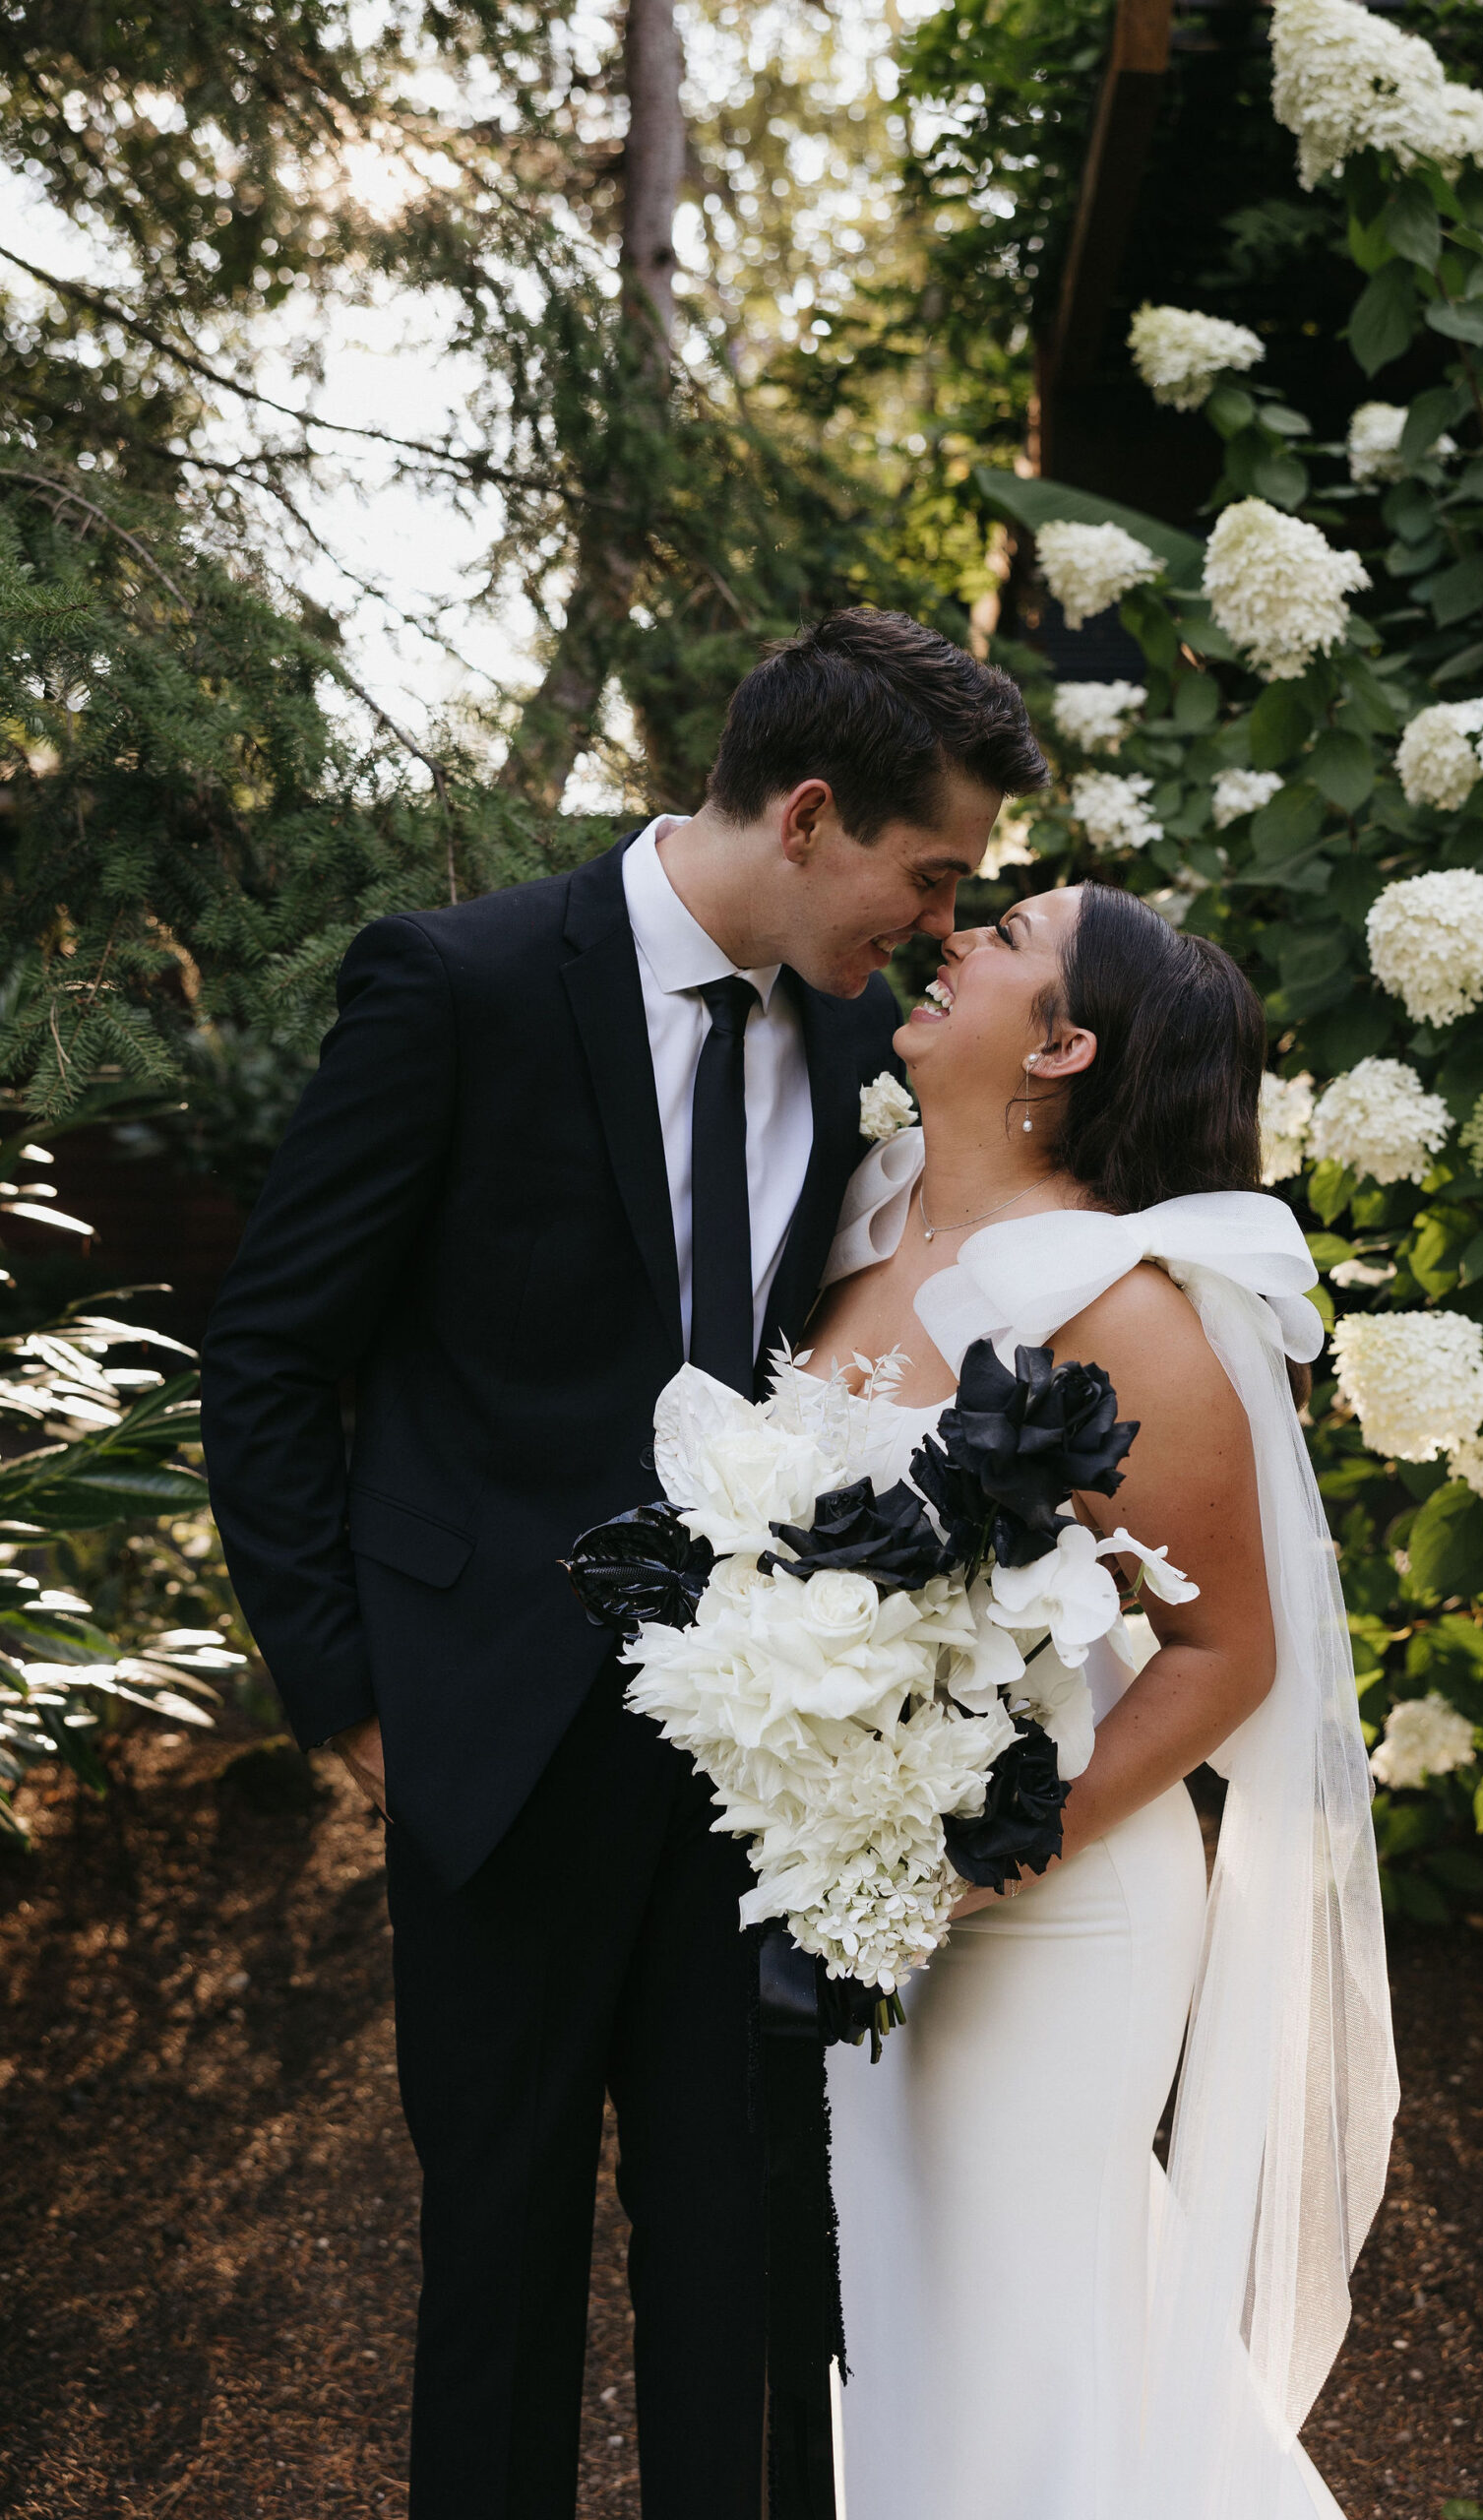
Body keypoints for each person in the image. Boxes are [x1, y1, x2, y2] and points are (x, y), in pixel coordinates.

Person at [197, 607, 1048, 2520]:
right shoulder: (460, 983)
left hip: (745, 1762)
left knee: (740, 2247)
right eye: (927, 875)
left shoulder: (844, 1035)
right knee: (494, 2255)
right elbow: (267, 1353)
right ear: (810, 813)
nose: (933, 924)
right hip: (485, 1732)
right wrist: (347, 1692)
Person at [805, 882, 1398, 2519]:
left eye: (1005, 935)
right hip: (854, 1888)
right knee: (919, 2327)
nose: (957, 936)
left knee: (1030, 2338)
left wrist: (985, 1852)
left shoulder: (1115, 1305)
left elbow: (1228, 1656)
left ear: (1061, 1045)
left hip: (1049, 1904)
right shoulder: (861, 1209)